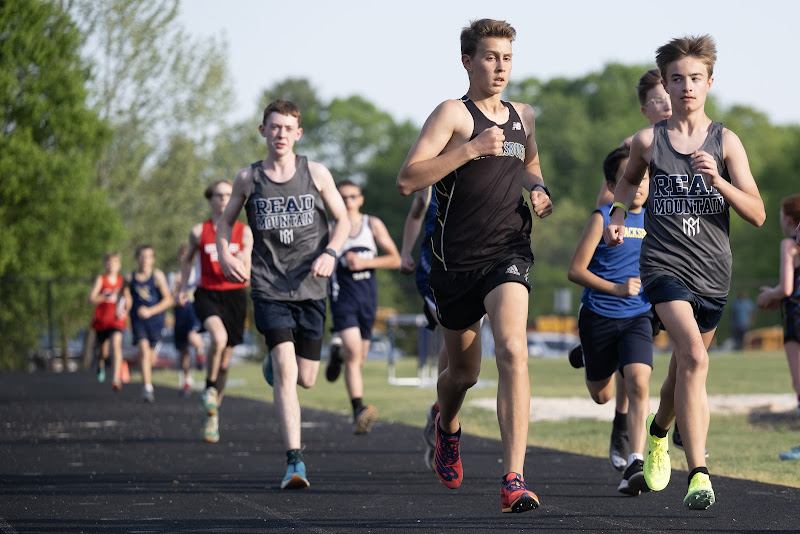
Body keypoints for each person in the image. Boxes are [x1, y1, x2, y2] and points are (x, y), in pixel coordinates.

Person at [396, 19, 553, 513]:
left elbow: (529, 163)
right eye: (490, 57)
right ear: (468, 61)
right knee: (462, 374)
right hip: (454, 261)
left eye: (507, 57)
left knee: (512, 348)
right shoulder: (452, 115)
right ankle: (446, 424)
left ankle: (513, 478)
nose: (500, 66)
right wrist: (468, 150)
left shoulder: (524, 115)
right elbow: (407, 179)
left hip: (508, 250)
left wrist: (538, 189)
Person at [603, 34, 765, 510]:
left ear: (710, 83)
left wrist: (718, 180)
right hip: (662, 267)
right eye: (677, 79)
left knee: (684, 368)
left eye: (695, 78)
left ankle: (658, 430)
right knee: (693, 354)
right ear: (666, 86)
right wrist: (616, 215)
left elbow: (756, 213)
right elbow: (628, 179)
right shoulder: (649, 141)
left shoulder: (726, 141)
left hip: (714, 273)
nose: (686, 87)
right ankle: (699, 472)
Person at [216, 99, 350, 490]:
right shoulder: (248, 178)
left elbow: (342, 221)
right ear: (263, 131)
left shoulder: (317, 173)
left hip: (311, 284)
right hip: (269, 285)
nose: (280, 134)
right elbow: (225, 225)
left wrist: (330, 252)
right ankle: (295, 462)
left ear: (298, 134)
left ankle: (276, 368)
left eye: (287, 128)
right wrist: (226, 254)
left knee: (306, 377)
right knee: (289, 373)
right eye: (273, 127)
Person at [571, 68, 674, 471]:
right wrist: (612, 219)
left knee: (643, 369)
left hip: (651, 275)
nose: (671, 102)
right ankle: (618, 412)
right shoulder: (636, 147)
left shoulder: (693, 143)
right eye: (662, 98)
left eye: (675, 93)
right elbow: (611, 200)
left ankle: (647, 443)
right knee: (611, 384)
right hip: (614, 280)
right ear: (647, 108)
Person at [568, 146, 654, 496]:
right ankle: (589, 357)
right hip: (600, 315)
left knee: (638, 381)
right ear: (612, 185)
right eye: (630, 180)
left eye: (645, 177)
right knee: (602, 396)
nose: (640, 185)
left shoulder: (656, 219)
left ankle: (635, 459)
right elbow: (575, 270)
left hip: (638, 316)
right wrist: (616, 289)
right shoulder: (602, 218)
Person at [178, 179, 253, 443]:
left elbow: (247, 258)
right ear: (210, 200)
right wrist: (182, 288)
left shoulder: (243, 231)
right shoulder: (199, 231)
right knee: (217, 338)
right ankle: (208, 389)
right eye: (218, 196)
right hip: (207, 294)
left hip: (234, 295)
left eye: (228, 195)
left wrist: (243, 264)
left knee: (224, 362)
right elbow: (187, 262)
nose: (223, 200)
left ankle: (212, 415)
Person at [326, 180, 401, 434]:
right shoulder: (331, 228)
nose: (347, 202)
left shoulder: (372, 224)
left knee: (358, 358)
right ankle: (358, 409)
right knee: (355, 352)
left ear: (360, 199)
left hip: (367, 299)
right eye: (342, 197)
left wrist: (365, 262)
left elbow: (395, 259)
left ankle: (338, 354)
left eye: (352, 197)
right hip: (342, 298)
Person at [399, 184, 449, 471]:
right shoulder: (430, 184)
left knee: (469, 369)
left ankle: (439, 411)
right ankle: (443, 420)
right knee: (454, 334)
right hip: (436, 271)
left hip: (479, 268)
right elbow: (417, 214)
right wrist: (405, 251)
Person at [756, 194, 800, 429]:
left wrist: (768, 295)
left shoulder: (789, 245)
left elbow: (787, 288)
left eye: (782, 216)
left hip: (796, 317)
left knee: (799, 382)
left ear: (790, 219)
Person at [126, 245, 174, 403]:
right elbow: (124, 295)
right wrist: (124, 304)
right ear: (136, 258)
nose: (144, 260)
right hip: (138, 321)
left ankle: (146, 376)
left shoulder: (157, 276)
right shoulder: (129, 278)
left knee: (151, 357)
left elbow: (168, 300)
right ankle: (147, 388)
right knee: (144, 352)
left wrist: (150, 311)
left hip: (156, 322)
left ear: (153, 259)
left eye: (148, 257)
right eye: (141, 256)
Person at [169, 243, 206, 398]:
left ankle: (200, 352)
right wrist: (177, 287)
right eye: (183, 255)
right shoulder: (173, 277)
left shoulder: (198, 274)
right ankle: (187, 381)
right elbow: (170, 299)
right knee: (183, 351)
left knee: (193, 337)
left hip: (194, 312)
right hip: (180, 314)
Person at [88, 251, 127, 391]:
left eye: (115, 263)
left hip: (117, 320)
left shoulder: (122, 281)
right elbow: (91, 299)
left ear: (119, 265)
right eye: (109, 263)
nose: (111, 266)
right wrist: (105, 296)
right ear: (105, 264)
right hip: (102, 319)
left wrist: (125, 309)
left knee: (116, 345)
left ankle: (116, 378)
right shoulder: (101, 279)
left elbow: (128, 299)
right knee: (103, 352)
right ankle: (100, 363)